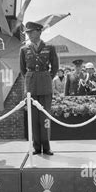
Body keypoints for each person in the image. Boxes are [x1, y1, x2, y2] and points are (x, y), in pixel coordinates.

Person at [20, 21, 59, 155]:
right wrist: (32, 79)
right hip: (31, 85)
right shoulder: (24, 49)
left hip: (45, 84)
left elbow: (55, 67)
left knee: (45, 117)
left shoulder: (49, 47)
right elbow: (22, 70)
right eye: (28, 33)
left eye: (31, 32)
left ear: (39, 31)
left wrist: (46, 77)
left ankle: (46, 147)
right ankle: (36, 146)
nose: (29, 35)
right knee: (34, 118)